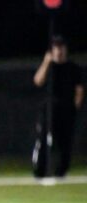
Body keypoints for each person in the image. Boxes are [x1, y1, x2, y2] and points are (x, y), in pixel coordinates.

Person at [32, 35, 84, 178]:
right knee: (42, 139)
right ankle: (39, 171)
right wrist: (46, 62)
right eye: (56, 48)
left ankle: (61, 171)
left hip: (66, 110)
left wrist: (75, 107)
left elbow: (79, 90)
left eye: (61, 47)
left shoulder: (73, 68)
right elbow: (38, 81)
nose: (59, 51)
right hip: (49, 109)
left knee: (64, 142)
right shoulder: (48, 66)